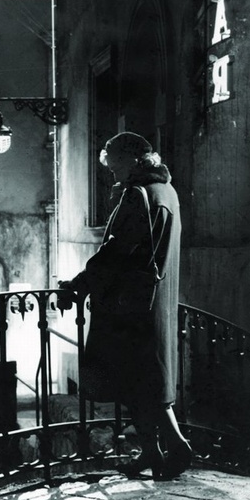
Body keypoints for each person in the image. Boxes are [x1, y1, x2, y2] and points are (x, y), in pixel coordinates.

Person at [59, 131, 191, 479]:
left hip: (130, 309)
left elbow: (115, 253)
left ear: (133, 160)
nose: (112, 171)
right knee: (144, 383)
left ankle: (176, 446)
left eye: (115, 163)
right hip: (154, 305)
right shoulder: (167, 192)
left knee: (141, 382)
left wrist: (78, 285)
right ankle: (153, 453)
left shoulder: (137, 194)